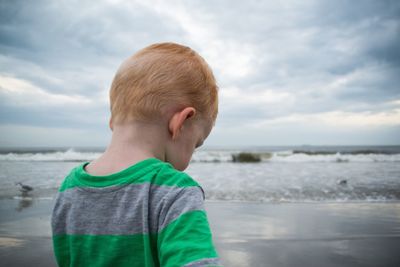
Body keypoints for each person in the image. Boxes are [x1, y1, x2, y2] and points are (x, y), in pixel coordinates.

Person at [51, 42, 222, 267]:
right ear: (180, 122)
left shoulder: (69, 189)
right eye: (196, 143)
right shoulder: (176, 191)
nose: (192, 155)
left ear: (113, 121)